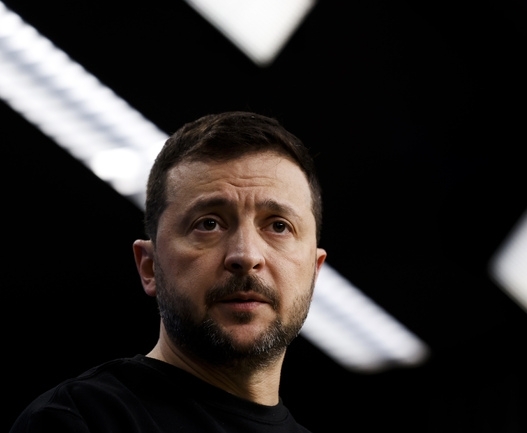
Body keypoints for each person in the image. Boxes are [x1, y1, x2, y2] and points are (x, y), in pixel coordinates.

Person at [10, 111, 328, 433]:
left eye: (278, 226)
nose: (246, 255)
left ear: (315, 272)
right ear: (149, 266)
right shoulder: (81, 419)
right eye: (208, 224)